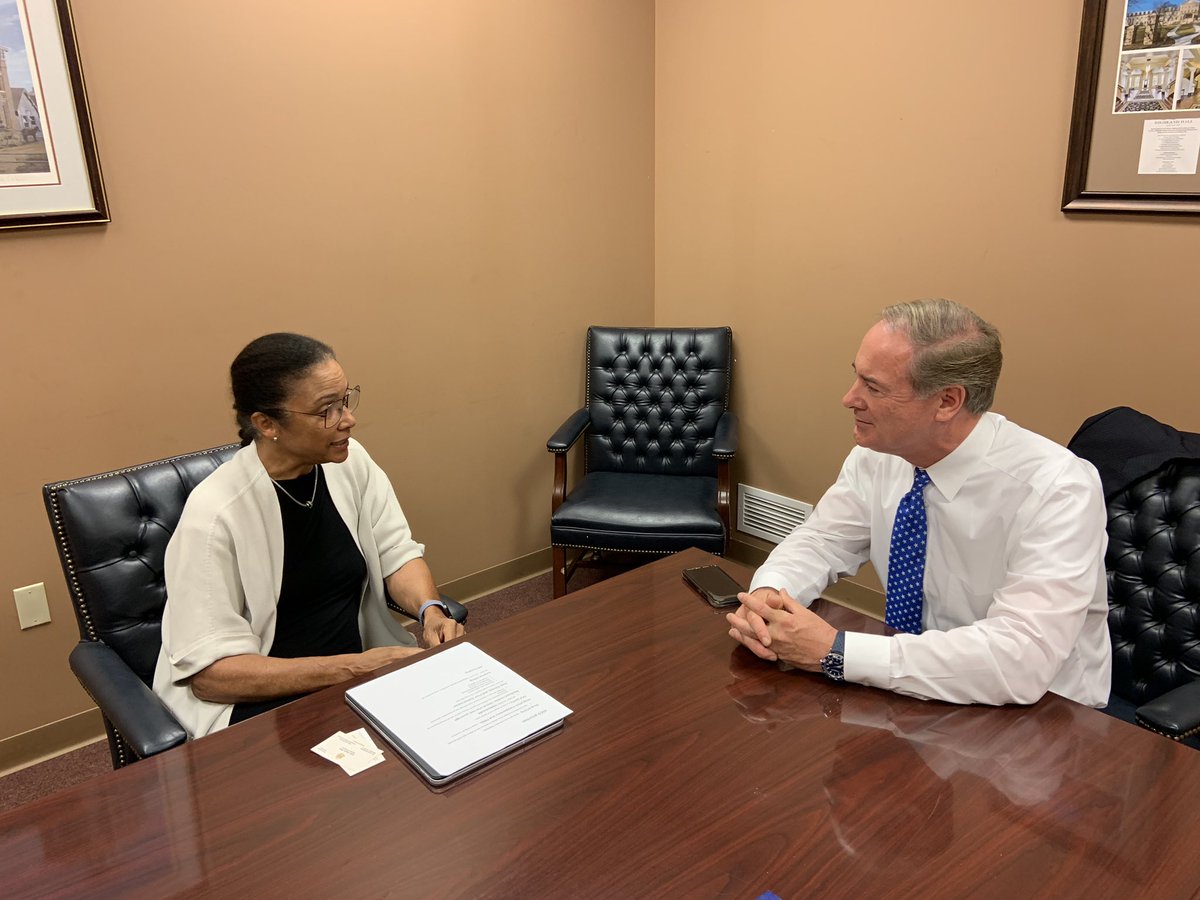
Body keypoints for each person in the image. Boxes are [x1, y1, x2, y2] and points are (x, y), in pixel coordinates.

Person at [727, 299, 1111, 707]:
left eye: (873, 387)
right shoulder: (880, 454)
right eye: (856, 377)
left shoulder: (1057, 488)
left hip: (1043, 713)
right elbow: (820, 542)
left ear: (947, 402)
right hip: (911, 684)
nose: (849, 398)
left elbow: (1020, 659)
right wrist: (770, 595)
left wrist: (835, 651)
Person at [153, 333, 464, 738]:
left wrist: (430, 610)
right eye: (326, 410)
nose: (347, 419)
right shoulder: (215, 515)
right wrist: (351, 668)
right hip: (262, 706)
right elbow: (212, 677)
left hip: (354, 678)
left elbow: (395, 551)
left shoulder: (350, 463)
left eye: (345, 400)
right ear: (266, 424)